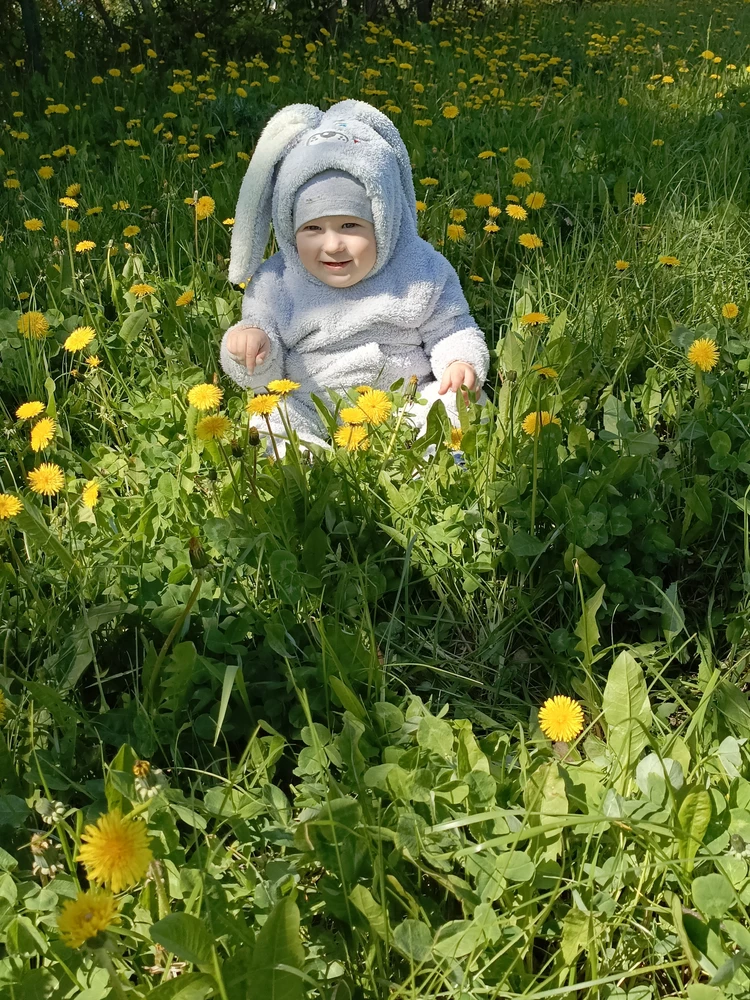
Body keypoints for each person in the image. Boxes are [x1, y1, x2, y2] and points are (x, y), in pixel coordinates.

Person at [220, 99, 490, 455]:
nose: (333, 245)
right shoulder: (276, 282)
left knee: (464, 402)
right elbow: (263, 374)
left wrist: (459, 362)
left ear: (383, 219)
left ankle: (436, 461)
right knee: (270, 419)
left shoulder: (419, 269)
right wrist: (252, 346)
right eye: (313, 228)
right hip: (310, 400)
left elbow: (452, 327)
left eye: (350, 225)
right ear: (288, 228)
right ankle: (298, 466)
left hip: (404, 399)